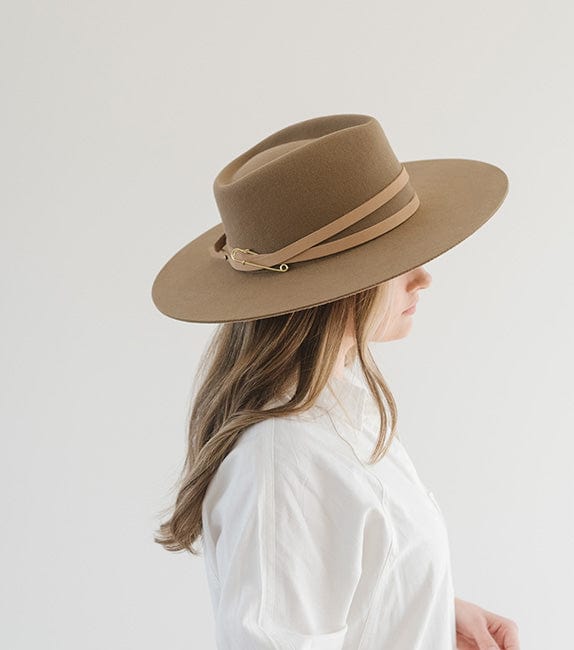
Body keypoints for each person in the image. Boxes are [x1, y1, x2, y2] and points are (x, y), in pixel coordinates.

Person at [150, 113, 521, 649]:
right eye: (397, 258)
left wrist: (425, 611)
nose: (423, 276)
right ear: (335, 288)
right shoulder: (285, 459)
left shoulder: (337, 413)